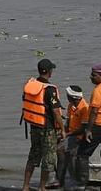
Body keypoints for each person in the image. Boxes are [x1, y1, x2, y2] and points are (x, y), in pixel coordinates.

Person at [21, 59, 65, 191]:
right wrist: (62, 129)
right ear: (50, 72)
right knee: (49, 159)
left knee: (33, 157)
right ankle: (42, 187)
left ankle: (26, 186)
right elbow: (56, 112)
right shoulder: (50, 89)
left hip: (34, 126)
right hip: (47, 129)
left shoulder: (31, 85)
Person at [55, 85, 90, 189]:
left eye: (68, 95)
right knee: (59, 151)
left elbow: (83, 128)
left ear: (73, 97)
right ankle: (60, 180)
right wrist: (62, 132)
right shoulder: (71, 106)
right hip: (70, 135)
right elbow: (68, 122)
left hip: (79, 137)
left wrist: (68, 134)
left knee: (73, 157)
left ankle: (77, 181)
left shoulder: (85, 108)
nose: (66, 97)